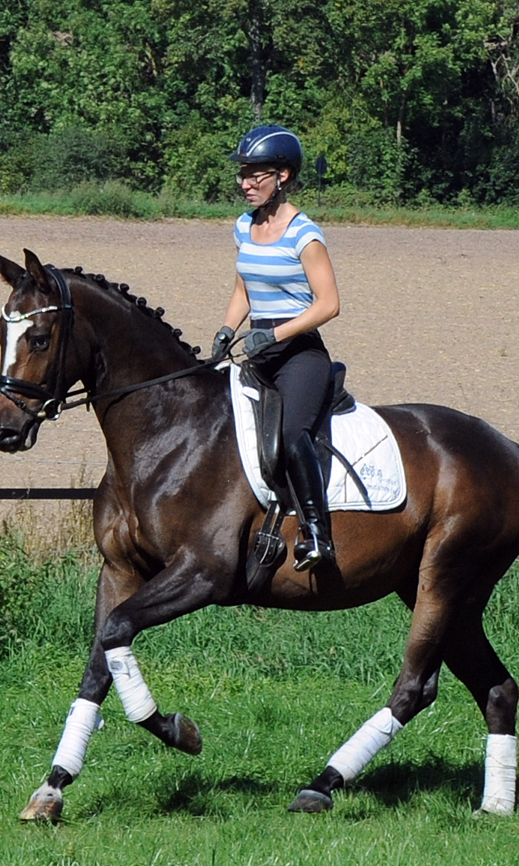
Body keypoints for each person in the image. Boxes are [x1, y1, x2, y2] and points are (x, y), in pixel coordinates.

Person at [213, 124, 341, 572]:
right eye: (242, 175)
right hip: (258, 348)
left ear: (283, 176)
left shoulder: (304, 235)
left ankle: (317, 533)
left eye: (255, 175)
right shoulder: (244, 227)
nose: (245, 184)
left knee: (290, 436)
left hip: (300, 354)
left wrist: (277, 332)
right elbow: (244, 290)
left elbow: (330, 304)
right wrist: (227, 331)